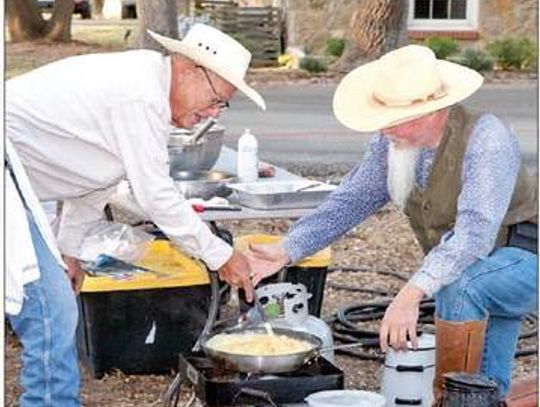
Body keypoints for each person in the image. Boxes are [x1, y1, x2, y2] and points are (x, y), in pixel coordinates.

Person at [246, 45, 537, 403]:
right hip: (479, 267)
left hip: (526, 256)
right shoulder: (391, 144)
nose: (385, 129)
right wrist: (288, 248)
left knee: (460, 290)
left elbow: (474, 234)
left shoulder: (487, 138)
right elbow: (351, 200)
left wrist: (411, 292)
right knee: (487, 385)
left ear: (433, 110)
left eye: (396, 118)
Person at [6, 24, 265, 406]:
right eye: (214, 100)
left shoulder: (147, 90)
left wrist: (69, 248)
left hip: (15, 182)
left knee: (52, 305)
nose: (210, 115)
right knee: (51, 312)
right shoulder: (140, 96)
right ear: (191, 69)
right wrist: (221, 255)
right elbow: (156, 196)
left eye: (220, 107)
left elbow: (93, 178)